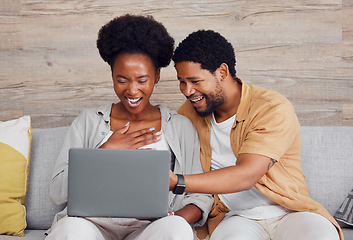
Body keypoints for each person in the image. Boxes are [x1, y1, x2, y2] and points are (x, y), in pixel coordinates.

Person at [45, 15, 212, 240]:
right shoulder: (88, 121)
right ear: (112, 76)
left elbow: (201, 196)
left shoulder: (180, 126)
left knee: (178, 229)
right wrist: (105, 151)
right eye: (122, 80)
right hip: (92, 225)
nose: (132, 91)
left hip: (150, 228)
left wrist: (174, 217)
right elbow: (56, 193)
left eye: (142, 81)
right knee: (68, 230)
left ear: (157, 76)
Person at [169, 29, 343, 240]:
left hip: (289, 211)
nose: (187, 91)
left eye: (195, 81)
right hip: (234, 217)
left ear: (222, 72)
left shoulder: (270, 107)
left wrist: (177, 181)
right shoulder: (187, 114)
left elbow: (247, 174)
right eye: (182, 82)